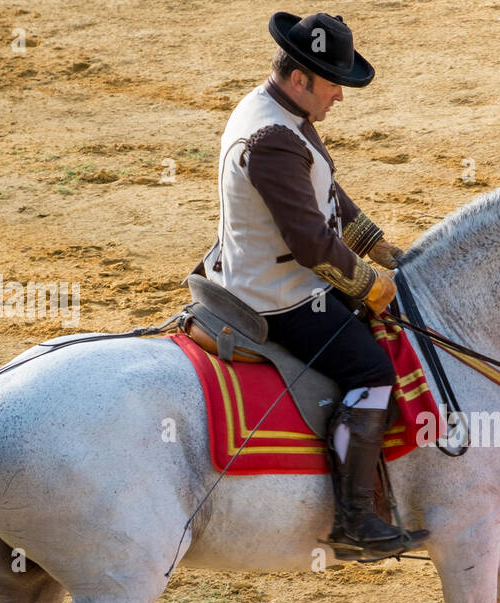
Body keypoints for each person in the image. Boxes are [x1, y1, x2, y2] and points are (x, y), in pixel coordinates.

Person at [201, 11, 427, 557]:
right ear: (300, 77)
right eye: (335, 84)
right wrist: (371, 284)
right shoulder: (274, 138)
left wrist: (376, 243)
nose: (341, 97)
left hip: (264, 272)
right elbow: (311, 245)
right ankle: (354, 519)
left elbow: (327, 196)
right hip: (279, 296)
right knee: (369, 368)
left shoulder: (280, 113)